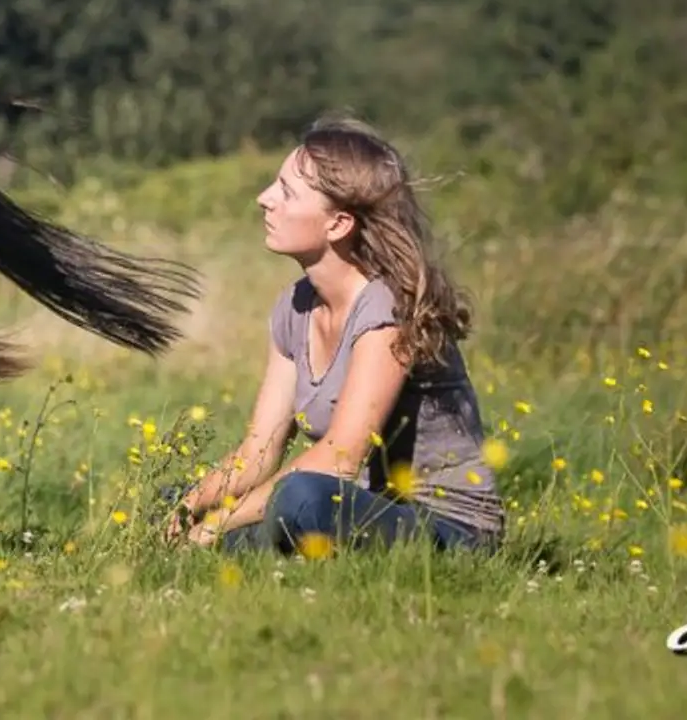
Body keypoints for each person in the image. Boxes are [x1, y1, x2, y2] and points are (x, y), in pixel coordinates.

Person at [164, 117, 505, 555]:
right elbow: (257, 452)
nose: (264, 199)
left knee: (300, 499)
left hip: (444, 528)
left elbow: (339, 460)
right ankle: (237, 547)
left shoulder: (386, 307)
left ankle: (242, 548)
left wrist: (217, 525)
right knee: (173, 501)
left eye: (286, 192)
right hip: (356, 510)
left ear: (338, 224)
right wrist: (190, 509)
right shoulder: (295, 305)